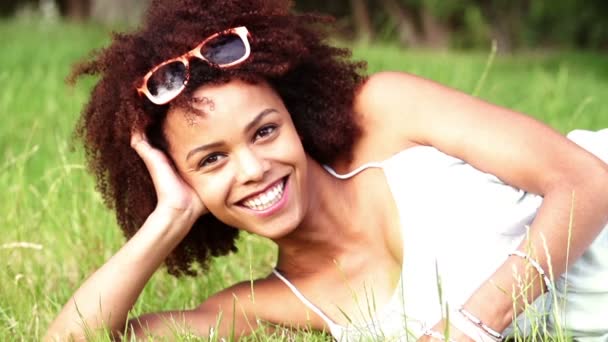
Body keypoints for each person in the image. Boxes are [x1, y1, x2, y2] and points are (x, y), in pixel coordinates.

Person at [46, 0, 608, 341]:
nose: (254, 168)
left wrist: (474, 324)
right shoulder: (269, 305)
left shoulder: (386, 114)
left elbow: (585, 180)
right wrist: (166, 221)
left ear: (295, 113)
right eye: (210, 160)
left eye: (264, 130)